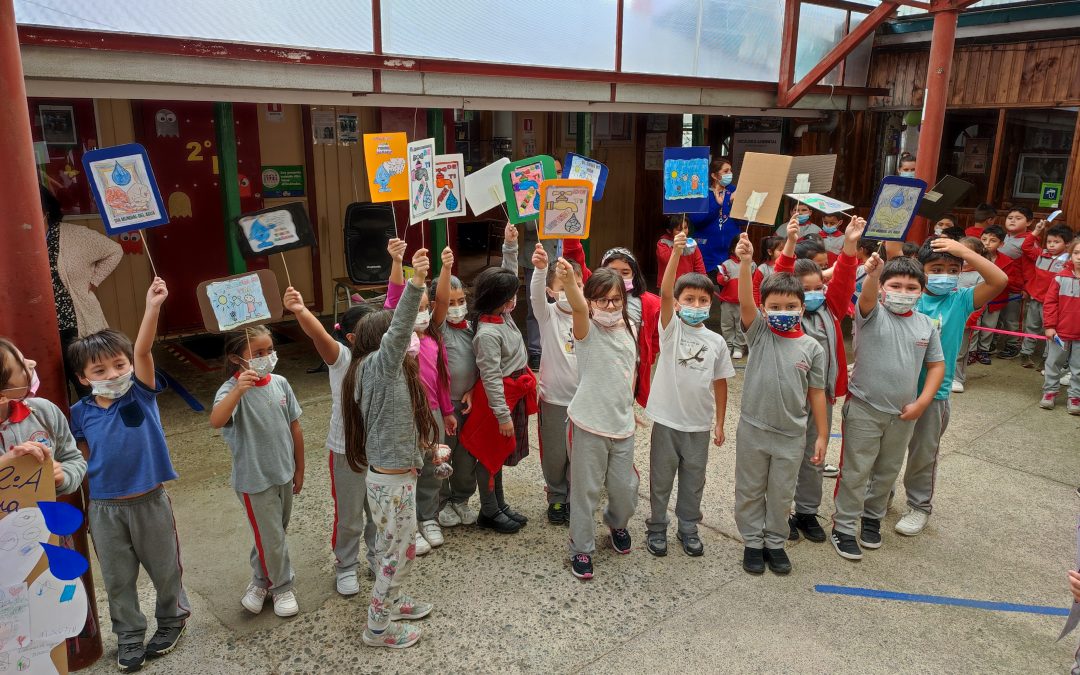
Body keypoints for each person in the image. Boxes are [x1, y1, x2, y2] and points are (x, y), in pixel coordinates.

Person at [68, 278, 191, 672]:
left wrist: (152, 306)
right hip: (104, 508)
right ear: (84, 378)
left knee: (165, 568)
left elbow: (142, 348)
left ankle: (172, 621)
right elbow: (82, 459)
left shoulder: (140, 391)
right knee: (118, 579)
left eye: (119, 364)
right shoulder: (80, 413)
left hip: (150, 499)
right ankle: (130, 636)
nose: (114, 372)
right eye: (100, 369)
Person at [341, 247, 437, 649]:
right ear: (382, 344)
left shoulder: (370, 368)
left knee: (398, 549)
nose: (411, 338)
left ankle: (394, 603)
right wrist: (416, 281)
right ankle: (377, 628)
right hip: (391, 483)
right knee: (396, 556)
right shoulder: (379, 366)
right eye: (401, 338)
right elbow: (397, 328)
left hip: (394, 477)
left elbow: (393, 325)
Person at [889, 236, 1007, 536]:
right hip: (893, 389)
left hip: (934, 396)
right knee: (887, 450)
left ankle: (919, 506)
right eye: (936, 268)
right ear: (920, 269)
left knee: (923, 454)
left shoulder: (959, 300)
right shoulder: (907, 295)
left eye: (953, 270)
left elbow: (999, 280)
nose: (945, 275)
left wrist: (964, 252)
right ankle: (881, 495)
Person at [830, 255, 944, 561]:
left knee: (887, 471)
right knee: (855, 470)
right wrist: (871, 273)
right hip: (865, 408)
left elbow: (936, 366)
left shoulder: (925, 325)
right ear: (882, 288)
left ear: (922, 290)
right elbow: (866, 296)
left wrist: (922, 402)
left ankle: (872, 518)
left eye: (911, 287)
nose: (902, 292)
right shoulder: (871, 314)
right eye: (895, 285)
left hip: (903, 414)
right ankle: (843, 525)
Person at [733, 233, 827, 575]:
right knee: (750, 489)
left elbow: (817, 392)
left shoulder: (812, 348)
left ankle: (774, 541)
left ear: (802, 307)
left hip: (791, 435)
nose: (782, 312)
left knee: (781, 493)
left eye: (790, 307)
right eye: (774, 306)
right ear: (764, 309)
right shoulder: (760, 333)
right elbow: (744, 302)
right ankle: (752, 542)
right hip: (754, 430)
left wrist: (822, 435)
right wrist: (745, 264)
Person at [774, 215, 863, 544]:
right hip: (787, 399)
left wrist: (850, 244)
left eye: (817, 288)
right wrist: (790, 245)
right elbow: (780, 277)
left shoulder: (832, 308)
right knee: (785, 457)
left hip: (821, 397)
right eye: (805, 290)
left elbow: (844, 278)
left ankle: (807, 511)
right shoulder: (783, 316)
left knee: (813, 457)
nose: (813, 294)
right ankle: (779, 513)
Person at [645, 231, 733, 558]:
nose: (695, 305)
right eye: (689, 299)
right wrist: (676, 253)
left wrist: (720, 423)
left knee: (694, 482)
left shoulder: (717, 342)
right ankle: (656, 527)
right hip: (667, 423)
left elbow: (721, 382)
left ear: (711, 304)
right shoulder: (671, 330)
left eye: (703, 300)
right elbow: (665, 291)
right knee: (661, 480)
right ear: (679, 304)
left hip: (699, 426)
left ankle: (688, 528)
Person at [284, 291, 376, 597]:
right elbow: (319, 334)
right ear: (351, 337)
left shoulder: (385, 358)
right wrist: (300, 309)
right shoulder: (342, 358)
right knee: (349, 516)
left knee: (378, 511)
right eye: (371, 329)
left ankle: (378, 555)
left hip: (380, 449)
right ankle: (346, 565)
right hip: (346, 450)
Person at [210, 325, 304, 617]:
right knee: (272, 537)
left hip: (283, 473)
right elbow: (216, 420)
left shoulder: (280, 383)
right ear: (237, 359)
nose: (267, 357)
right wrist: (238, 390)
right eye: (258, 353)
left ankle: (261, 581)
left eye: (270, 350)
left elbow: (295, 426)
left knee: (272, 534)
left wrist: (299, 467)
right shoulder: (231, 390)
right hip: (254, 480)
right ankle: (282, 587)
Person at [558, 261, 638, 580]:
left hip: (622, 427)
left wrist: (629, 406)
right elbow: (577, 307)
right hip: (587, 425)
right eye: (601, 299)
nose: (609, 305)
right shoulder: (586, 330)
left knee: (624, 491)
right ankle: (581, 547)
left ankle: (617, 523)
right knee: (585, 492)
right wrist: (568, 283)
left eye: (615, 299)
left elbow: (626, 375)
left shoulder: (630, 328)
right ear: (591, 301)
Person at [460, 226, 537, 534]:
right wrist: (502, 415)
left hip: (513, 393)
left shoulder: (500, 314)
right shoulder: (488, 333)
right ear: (499, 300)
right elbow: (491, 379)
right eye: (510, 297)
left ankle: (499, 504)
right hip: (498, 400)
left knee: (501, 453)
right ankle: (489, 510)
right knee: (489, 455)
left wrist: (510, 244)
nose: (514, 300)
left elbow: (505, 274)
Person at [382, 239, 454, 555]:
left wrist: (446, 268)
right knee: (407, 471)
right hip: (404, 417)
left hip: (434, 413)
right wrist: (399, 263)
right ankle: (408, 526)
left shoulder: (433, 336)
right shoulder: (397, 340)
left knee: (431, 466)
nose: (422, 313)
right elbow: (396, 297)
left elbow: (440, 380)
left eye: (426, 309)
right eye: (417, 308)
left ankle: (428, 517)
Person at [40, 186, 123, 395]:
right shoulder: (16, 242)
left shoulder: (74, 236)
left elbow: (114, 250)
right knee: (51, 386)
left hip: (75, 324)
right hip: (40, 326)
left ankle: (98, 424)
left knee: (88, 383)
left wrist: (94, 281)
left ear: (45, 211)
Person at [529, 245, 582, 525]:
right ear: (551, 291)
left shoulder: (589, 316)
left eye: (576, 282)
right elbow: (535, 296)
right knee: (554, 454)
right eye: (563, 284)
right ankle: (557, 497)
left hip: (584, 402)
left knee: (580, 455)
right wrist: (540, 269)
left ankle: (575, 496)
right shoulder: (548, 315)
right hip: (553, 401)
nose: (571, 289)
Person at [0, 337, 88, 495]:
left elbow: (74, 459)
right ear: (2, 396)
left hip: (42, 518)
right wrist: (7, 465)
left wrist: (63, 477)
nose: (32, 362)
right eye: (21, 367)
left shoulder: (45, 411)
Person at [519, 160, 563, 370]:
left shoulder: (568, 192)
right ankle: (536, 350)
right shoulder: (530, 192)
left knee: (561, 303)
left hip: (560, 259)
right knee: (534, 304)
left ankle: (557, 345)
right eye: (551, 172)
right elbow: (528, 225)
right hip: (535, 259)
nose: (556, 175)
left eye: (559, 171)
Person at [1022, 223, 1074, 368]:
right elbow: (1026, 247)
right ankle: (1025, 354)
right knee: (1031, 326)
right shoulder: (1041, 254)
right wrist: (1037, 231)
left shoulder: (1069, 261)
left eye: (1056, 242)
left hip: (1054, 304)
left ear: (1068, 244)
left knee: (1050, 331)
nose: (1051, 245)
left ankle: (1047, 358)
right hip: (1035, 299)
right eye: (1049, 241)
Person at [1040, 238, 1080, 414]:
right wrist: (1050, 326)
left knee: (1078, 368)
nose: (1079, 257)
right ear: (1070, 255)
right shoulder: (1059, 278)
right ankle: (1049, 392)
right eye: (1077, 253)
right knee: (1053, 363)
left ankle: (1075, 396)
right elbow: (1050, 303)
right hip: (1059, 333)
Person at [970, 226, 1021, 365]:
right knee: (974, 325)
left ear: (1001, 244)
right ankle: (971, 351)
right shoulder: (973, 257)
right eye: (984, 239)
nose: (987, 243)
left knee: (989, 326)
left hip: (996, 299)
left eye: (992, 240)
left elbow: (1010, 281)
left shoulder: (1007, 261)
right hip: (976, 297)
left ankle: (983, 350)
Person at [996, 207, 1038, 359]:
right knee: (997, 316)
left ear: (1029, 222)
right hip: (999, 285)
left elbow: (1033, 268)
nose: (1013, 220)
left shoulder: (1029, 242)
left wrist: (1027, 287)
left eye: (1018, 218)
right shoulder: (1002, 237)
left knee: (1012, 318)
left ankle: (1014, 344)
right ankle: (995, 340)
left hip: (1016, 287)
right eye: (1010, 217)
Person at [689, 158, 742, 275]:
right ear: (714, 175)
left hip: (731, 254)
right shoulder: (701, 192)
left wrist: (736, 204)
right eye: (726, 171)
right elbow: (697, 220)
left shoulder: (734, 191)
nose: (730, 174)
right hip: (708, 254)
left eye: (731, 171)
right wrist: (720, 204)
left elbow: (742, 221)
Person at [950, 236, 988, 393]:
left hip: (966, 319)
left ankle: (957, 378)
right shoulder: (951, 270)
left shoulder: (980, 275)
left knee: (960, 350)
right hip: (947, 316)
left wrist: (969, 319)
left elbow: (980, 302)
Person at [716, 237, 753, 359]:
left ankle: (739, 347)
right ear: (733, 249)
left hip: (743, 303)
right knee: (726, 325)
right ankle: (728, 345)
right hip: (727, 301)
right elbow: (719, 279)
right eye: (739, 246)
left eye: (745, 246)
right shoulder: (726, 264)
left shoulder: (751, 264)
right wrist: (724, 279)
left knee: (740, 326)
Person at [655, 214, 706, 288]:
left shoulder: (691, 243)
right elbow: (665, 259)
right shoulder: (663, 243)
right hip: (668, 286)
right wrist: (677, 247)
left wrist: (703, 281)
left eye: (685, 228)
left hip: (688, 284)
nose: (683, 232)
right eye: (679, 229)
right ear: (669, 231)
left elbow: (699, 265)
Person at [751, 235, 784, 305]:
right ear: (770, 252)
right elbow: (755, 289)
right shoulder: (762, 269)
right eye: (780, 250)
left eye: (786, 249)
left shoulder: (790, 267)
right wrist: (757, 306)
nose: (784, 252)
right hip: (765, 306)